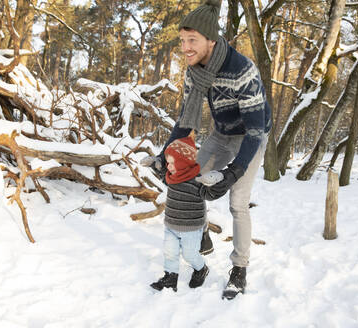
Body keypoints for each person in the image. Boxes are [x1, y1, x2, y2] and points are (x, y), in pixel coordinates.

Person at [143, 0, 272, 300]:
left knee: (238, 203)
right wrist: (165, 156)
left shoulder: (243, 70)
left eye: (192, 40)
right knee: (189, 179)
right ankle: (202, 235)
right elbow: (185, 122)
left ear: (210, 40)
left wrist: (234, 171)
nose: (185, 47)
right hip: (222, 133)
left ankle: (239, 269)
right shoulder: (194, 73)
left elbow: (254, 130)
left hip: (250, 138)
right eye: (182, 40)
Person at [149, 133, 223, 292]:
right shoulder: (171, 176)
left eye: (171, 163)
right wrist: (153, 164)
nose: (168, 166)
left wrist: (216, 181)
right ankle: (170, 277)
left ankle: (201, 269)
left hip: (191, 228)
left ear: (183, 163)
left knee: (189, 255)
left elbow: (209, 195)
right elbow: (162, 172)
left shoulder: (197, 181)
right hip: (171, 225)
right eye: (167, 163)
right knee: (170, 252)